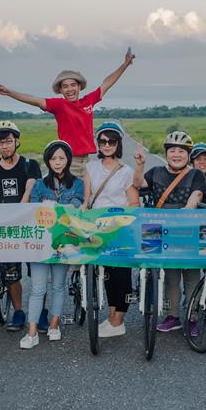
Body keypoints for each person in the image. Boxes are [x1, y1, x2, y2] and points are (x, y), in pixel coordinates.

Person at [0, 48, 136, 178]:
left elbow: (107, 83)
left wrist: (125, 65)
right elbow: (35, 100)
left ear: (79, 87)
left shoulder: (88, 101)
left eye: (73, 85)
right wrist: (9, 92)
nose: (70, 89)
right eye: (65, 86)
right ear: (60, 90)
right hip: (70, 160)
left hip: (88, 159)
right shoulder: (59, 105)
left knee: (87, 197)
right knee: (71, 198)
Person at [133, 130, 206, 333]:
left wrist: (187, 210)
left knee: (192, 275)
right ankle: (173, 316)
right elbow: (138, 184)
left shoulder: (195, 174)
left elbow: (197, 194)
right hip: (158, 228)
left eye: (181, 151)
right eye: (172, 150)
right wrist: (139, 166)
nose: (176, 155)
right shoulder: (155, 172)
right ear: (166, 153)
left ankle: (192, 317)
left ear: (188, 155)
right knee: (171, 275)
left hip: (187, 227)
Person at [21, 140, 85, 349]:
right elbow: (33, 209)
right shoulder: (39, 184)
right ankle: (31, 333)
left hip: (65, 241)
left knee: (58, 286)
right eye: (53, 158)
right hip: (41, 242)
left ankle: (54, 326)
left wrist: (54, 206)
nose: (57, 162)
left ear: (68, 159)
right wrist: (56, 207)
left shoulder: (77, 183)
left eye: (61, 158)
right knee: (37, 288)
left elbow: (77, 205)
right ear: (47, 161)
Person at [0, 120, 42, 332]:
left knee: (37, 272)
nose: (4, 146)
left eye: (8, 141)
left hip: (29, 224)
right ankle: (18, 312)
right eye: (0, 143)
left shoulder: (29, 165)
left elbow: (32, 187)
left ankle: (41, 312)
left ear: (17, 141)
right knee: (11, 272)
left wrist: (22, 205)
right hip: (5, 226)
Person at [82, 122, 140, 339]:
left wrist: (121, 220)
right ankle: (112, 316)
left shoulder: (127, 172)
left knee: (121, 273)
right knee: (106, 273)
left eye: (111, 141)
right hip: (97, 227)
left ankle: (119, 320)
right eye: (102, 141)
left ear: (118, 144)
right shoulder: (90, 167)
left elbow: (134, 202)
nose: (106, 145)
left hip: (120, 227)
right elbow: (87, 199)